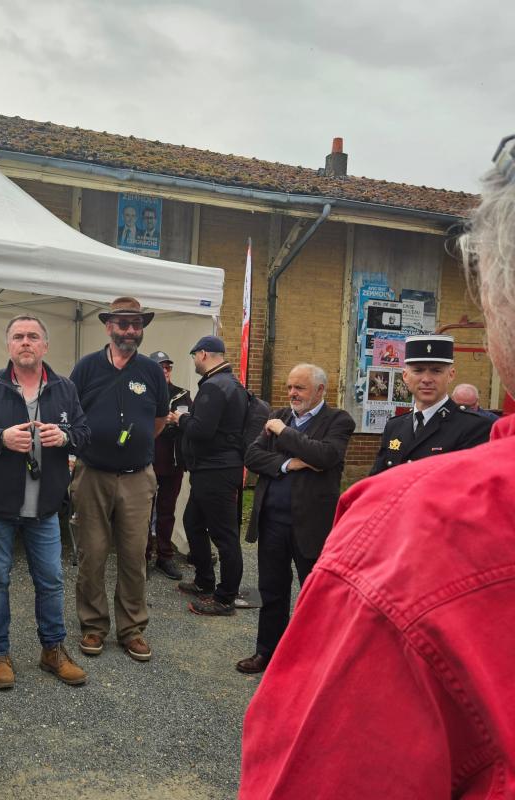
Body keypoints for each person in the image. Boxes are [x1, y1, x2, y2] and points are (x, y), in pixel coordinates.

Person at [238, 134, 515, 798]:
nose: (421, 380)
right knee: (274, 595)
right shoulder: (393, 427)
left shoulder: (467, 439)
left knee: (305, 595)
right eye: (414, 369)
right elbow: (260, 453)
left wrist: (286, 447)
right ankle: (269, 650)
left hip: (334, 531)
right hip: (278, 513)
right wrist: (278, 455)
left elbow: (331, 459)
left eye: (431, 371)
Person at [0, 315, 90, 689]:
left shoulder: (64, 388)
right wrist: (0, 438)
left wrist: (64, 438)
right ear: (9, 346)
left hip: (45, 508)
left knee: (50, 581)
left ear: (45, 346)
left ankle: (53, 650)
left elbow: (83, 432)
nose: (26, 342)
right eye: (18, 337)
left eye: (33, 337)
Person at [236, 364, 354, 674]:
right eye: (290, 387)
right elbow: (252, 456)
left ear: (319, 391)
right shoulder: (280, 415)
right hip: (272, 521)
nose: (292, 394)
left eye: (299, 388)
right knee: (271, 590)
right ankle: (267, 652)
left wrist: (283, 434)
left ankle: (316, 662)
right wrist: (290, 463)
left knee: (315, 596)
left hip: (311, 525)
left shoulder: (337, 421)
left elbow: (325, 456)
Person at [70, 296, 168, 661]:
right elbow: (71, 414)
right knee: (91, 555)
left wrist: (133, 445)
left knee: (132, 557)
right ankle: (93, 626)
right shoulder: (86, 368)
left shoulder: (151, 371)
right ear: (108, 326)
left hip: (137, 479)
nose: (130, 331)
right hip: (92, 474)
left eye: (136, 324)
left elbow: (158, 420)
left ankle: (131, 629)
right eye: (123, 324)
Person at [172, 336, 269, 615]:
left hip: (217, 470)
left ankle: (225, 598)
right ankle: (205, 580)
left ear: (203, 354)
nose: (194, 362)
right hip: (212, 469)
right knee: (192, 522)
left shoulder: (215, 386)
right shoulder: (229, 383)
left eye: (194, 357)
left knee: (224, 536)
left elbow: (202, 430)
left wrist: (180, 419)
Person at [369, 335, 493, 475]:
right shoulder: (394, 426)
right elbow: (377, 480)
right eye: (418, 370)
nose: (427, 379)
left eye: (436, 370)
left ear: (451, 375)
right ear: (405, 376)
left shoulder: (474, 427)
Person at [145, 350, 190, 580]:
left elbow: (186, 423)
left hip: (172, 463)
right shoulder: (141, 392)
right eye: (160, 367)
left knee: (166, 511)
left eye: (167, 367)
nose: (164, 371)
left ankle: (165, 556)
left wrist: (175, 422)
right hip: (145, 462)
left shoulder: (182, 394)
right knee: (143, 512)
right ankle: (142, 557)